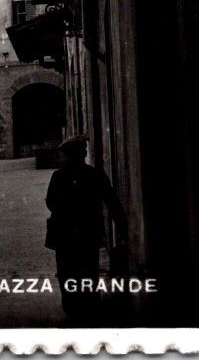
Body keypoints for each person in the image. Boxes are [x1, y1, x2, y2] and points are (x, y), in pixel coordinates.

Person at [45, 135, 127, 325]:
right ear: (83, 154)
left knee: (69, 270)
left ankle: (74, 307)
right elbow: (112, 200)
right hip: (85, 232)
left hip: (68, 233)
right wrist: (122, 227)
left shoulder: (59, 176)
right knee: (86, 269)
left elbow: (51, 202)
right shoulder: (94, 174)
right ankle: (87, 306)